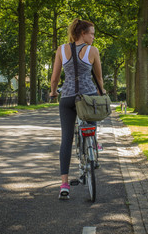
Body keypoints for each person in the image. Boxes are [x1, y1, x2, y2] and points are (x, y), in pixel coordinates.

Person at [50, 18, 105, 200]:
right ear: (83, 33)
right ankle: (93, 145)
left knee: (66, 139)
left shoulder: (61, 50)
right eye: (91, 33)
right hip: (88, 97)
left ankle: (64, 185)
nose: (93, 37)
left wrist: (53, 92)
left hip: (67, 98)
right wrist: (101, 91)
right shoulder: (93, 51)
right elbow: (98, 78)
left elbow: (55, 78)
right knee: (91, 119)